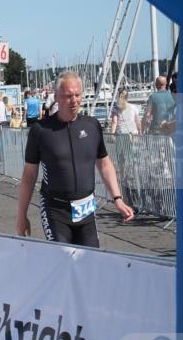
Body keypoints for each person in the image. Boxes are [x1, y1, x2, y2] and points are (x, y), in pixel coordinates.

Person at [16, 72, 134, 248]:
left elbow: (104, 164)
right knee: (64, 260)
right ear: (56, 97)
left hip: (86, 209)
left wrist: (117, 198)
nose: (74, 100)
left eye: (77, 95)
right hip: (55, 209)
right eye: (68, 96)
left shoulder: (92, 125)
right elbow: (29, 175)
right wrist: (21, 215)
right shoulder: (40, 130)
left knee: (90, 262)